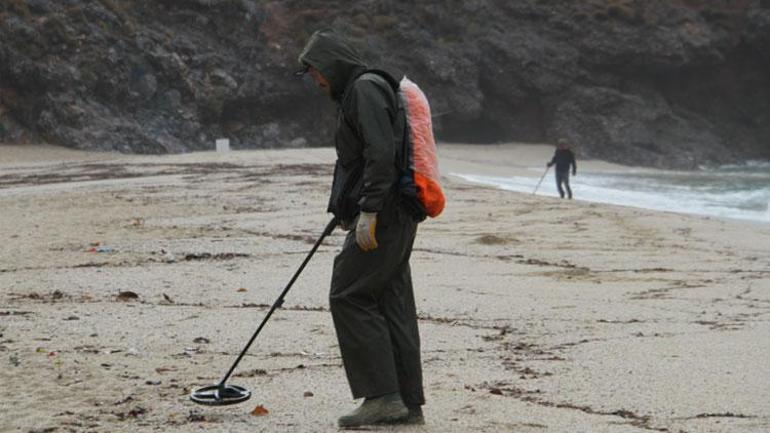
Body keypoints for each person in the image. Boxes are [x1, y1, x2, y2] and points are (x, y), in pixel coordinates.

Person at [296, 29, 425, 427]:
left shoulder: (364, 90)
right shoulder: (365, 87)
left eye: (317, 70)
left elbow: (380, 151)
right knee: (390, 300)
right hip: (396, 211)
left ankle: (383, 398)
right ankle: (406, 403)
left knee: (349, 293)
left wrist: (369, 210)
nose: (316, 80)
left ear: (333, 64)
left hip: (385, 213)